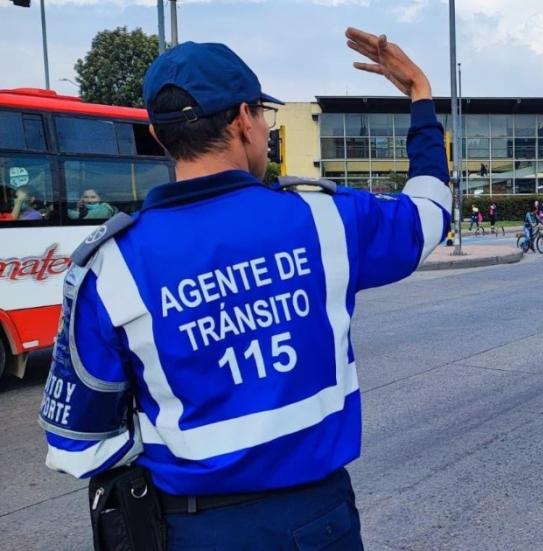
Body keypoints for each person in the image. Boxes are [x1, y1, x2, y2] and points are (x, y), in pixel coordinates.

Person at [39, 30, 451, 550]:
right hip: (317, 523)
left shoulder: (110, 264)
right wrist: (419, 94)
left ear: (164, 138)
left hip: (189, 530)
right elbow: (429, 214)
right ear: (241, 120)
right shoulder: (324, 219)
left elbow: (79, 445)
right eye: (263, 116)